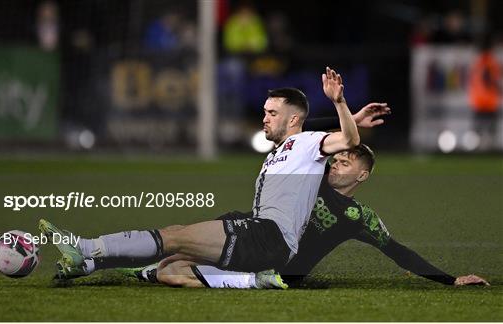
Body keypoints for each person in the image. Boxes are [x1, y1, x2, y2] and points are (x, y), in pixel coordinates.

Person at [41, 67, 361, 278]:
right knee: (173, 264)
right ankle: (91, 264)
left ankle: (85, 248)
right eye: (264, 112)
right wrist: (354, 117)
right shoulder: (289, 145)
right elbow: (308, 131)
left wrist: (341, 103)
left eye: (272, 113)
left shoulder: (307, 144)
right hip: (261, 232)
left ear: (292, 120)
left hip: (269, 237)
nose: (264, 118)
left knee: (175, 237)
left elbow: (347, 140)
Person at [127, 145, 490, 289]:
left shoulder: (358, 216)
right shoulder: (309, 179)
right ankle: (136, 266)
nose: (336, 162)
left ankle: (252, 282)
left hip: (279, 267)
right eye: (337, 158)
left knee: (171, 270)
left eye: (346, 162)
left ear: (362, 176)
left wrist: (450, 279)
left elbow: (398, 252)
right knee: (175, 242)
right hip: (252, 240)